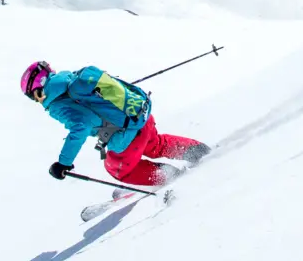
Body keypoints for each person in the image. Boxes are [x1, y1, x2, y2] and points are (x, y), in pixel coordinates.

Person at [20, 60, 209, 187]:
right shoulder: (74, 79)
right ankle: (201, 151)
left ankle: (169, 177)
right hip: (141, 117)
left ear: (38, 91)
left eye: (32, 97)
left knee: (118, 169)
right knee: (155, 145)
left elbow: (81, 126)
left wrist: (63, 163)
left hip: (127, 137)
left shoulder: (57, 104)